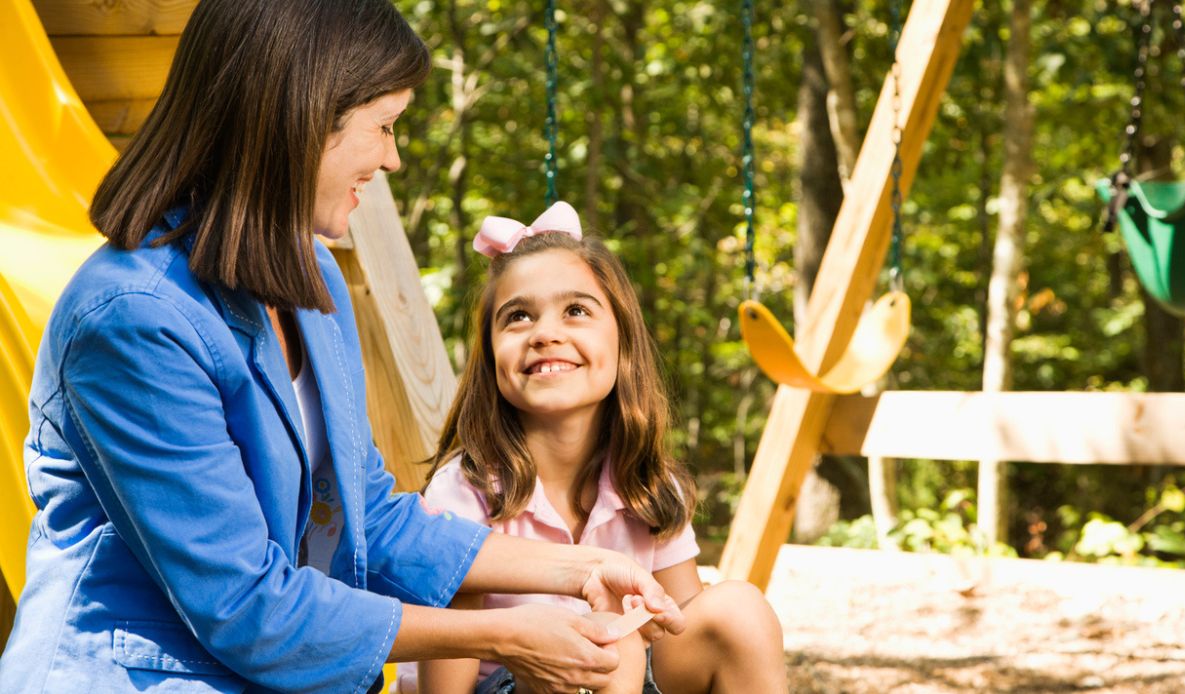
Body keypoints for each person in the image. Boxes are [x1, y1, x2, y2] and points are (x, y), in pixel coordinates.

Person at [0, 1, 686, 692]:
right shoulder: (133, 320)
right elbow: (246, 609)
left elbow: (370, 516)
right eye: (383, 126)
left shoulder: (311, 276)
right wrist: (503, 635)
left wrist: (583, 568)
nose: (393, 156)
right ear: (302, 118)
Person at [406, 205, 787, 694]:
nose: (545, 333)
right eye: (518, 317)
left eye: (576, 311)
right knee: (609, 642)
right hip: (513, 683)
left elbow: (680, 627)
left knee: (737, 609)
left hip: (627, 675)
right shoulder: (466, 491)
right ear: (490, 356)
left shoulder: (649, 484)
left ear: (623, 342)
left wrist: (632, 633)